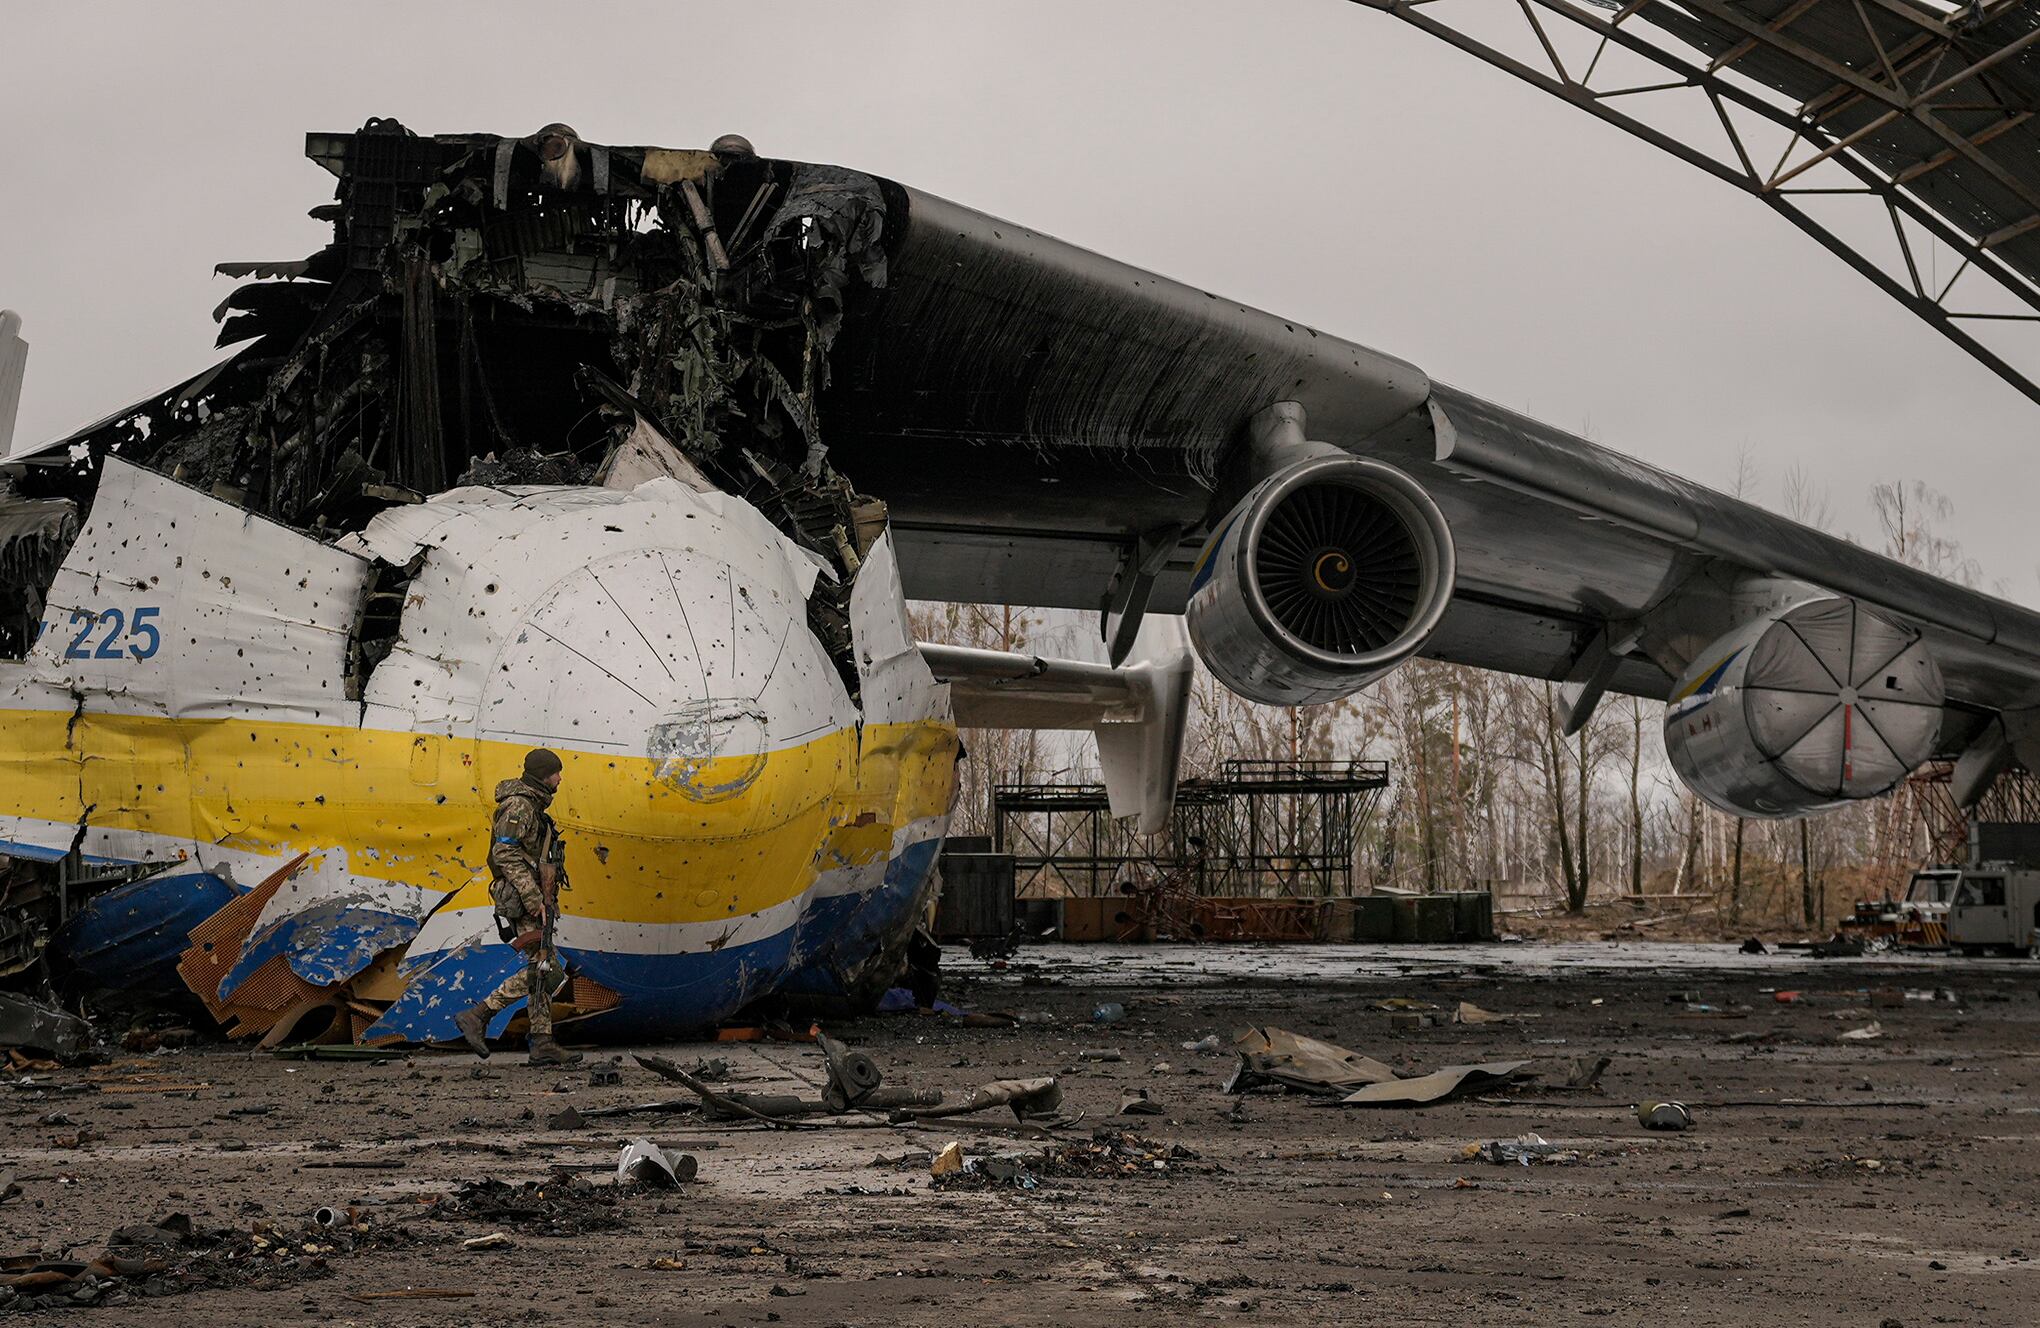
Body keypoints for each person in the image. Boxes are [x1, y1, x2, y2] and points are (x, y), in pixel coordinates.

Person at [453, 748, 582, 1065]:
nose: (560, 778)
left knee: (542, 965)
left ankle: (542, 1042)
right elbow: (504, 854)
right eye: (555, 773)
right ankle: (479, 1014)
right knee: (544, 969)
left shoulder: (534, 806)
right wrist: (534, 898)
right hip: (526, 900)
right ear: (542, 775)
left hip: (538, 898)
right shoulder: (519, 806)